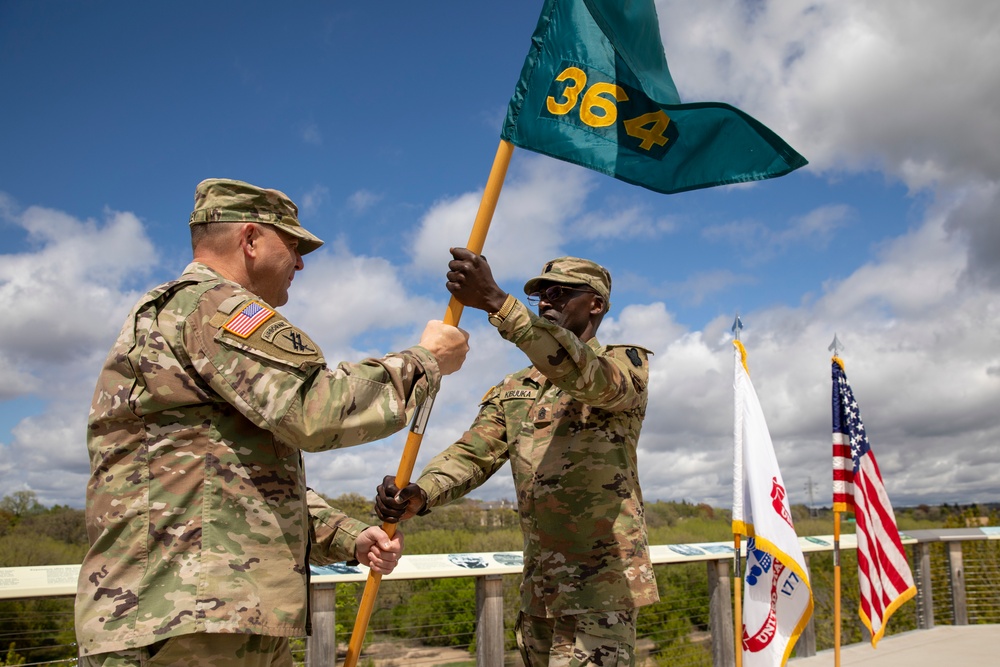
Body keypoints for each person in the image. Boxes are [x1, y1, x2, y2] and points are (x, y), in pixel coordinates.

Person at [75, 178, 470, 666]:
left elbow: (242, 479)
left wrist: (348, 537)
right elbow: (314, 411)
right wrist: (424, 360)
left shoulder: (193, 316)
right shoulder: (215, 305)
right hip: (189, 621)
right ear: (250, 240)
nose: (301, 262)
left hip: (208, 614)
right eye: (294, 245)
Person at [376, 248, 658, 667]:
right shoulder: (515, 385)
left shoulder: (622, 364)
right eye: (539, 295)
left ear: (595, 303)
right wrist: (421, 493)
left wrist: (497, 302)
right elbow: (473, 454)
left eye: (560, 293)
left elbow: (589, 379)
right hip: (539, 593)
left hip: (600, 592)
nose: (546, 301)